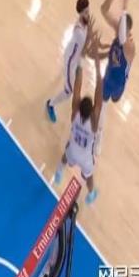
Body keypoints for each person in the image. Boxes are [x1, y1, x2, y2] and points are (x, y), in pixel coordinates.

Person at [53, 35, 103, 205]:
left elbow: (78, 85)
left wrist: (82, 57)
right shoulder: (94, 122)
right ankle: (91, 194)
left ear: (80, 106)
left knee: (65, 156)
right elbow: (99, 91)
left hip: (73, 150)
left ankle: (59, 172)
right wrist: (97, 63)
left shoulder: (75, 113)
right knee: (89, 176)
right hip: (86, 158)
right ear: (93, 111)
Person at [94, 0, 136, 155]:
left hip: (119, 84)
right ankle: (99, 137)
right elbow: (103, 10)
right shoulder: (118, 30)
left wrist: (125, 4)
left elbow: (122, 37)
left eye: (120, 26)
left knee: (114, 100)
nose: (117, 27)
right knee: (101, 107)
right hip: (109, 78)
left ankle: (99, 131)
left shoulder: (130, 46)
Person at [46, 0, 94, 123]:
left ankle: (64, 75)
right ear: (80, 13)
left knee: (72, 78)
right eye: (85, 12)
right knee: (68, 92)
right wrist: (91, 38)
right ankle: (50, 104)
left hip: (74, 55)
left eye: (88, 11)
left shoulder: (84, 23)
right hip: (71, 61)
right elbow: (85, 51)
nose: (88, 14)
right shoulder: (79, 32)